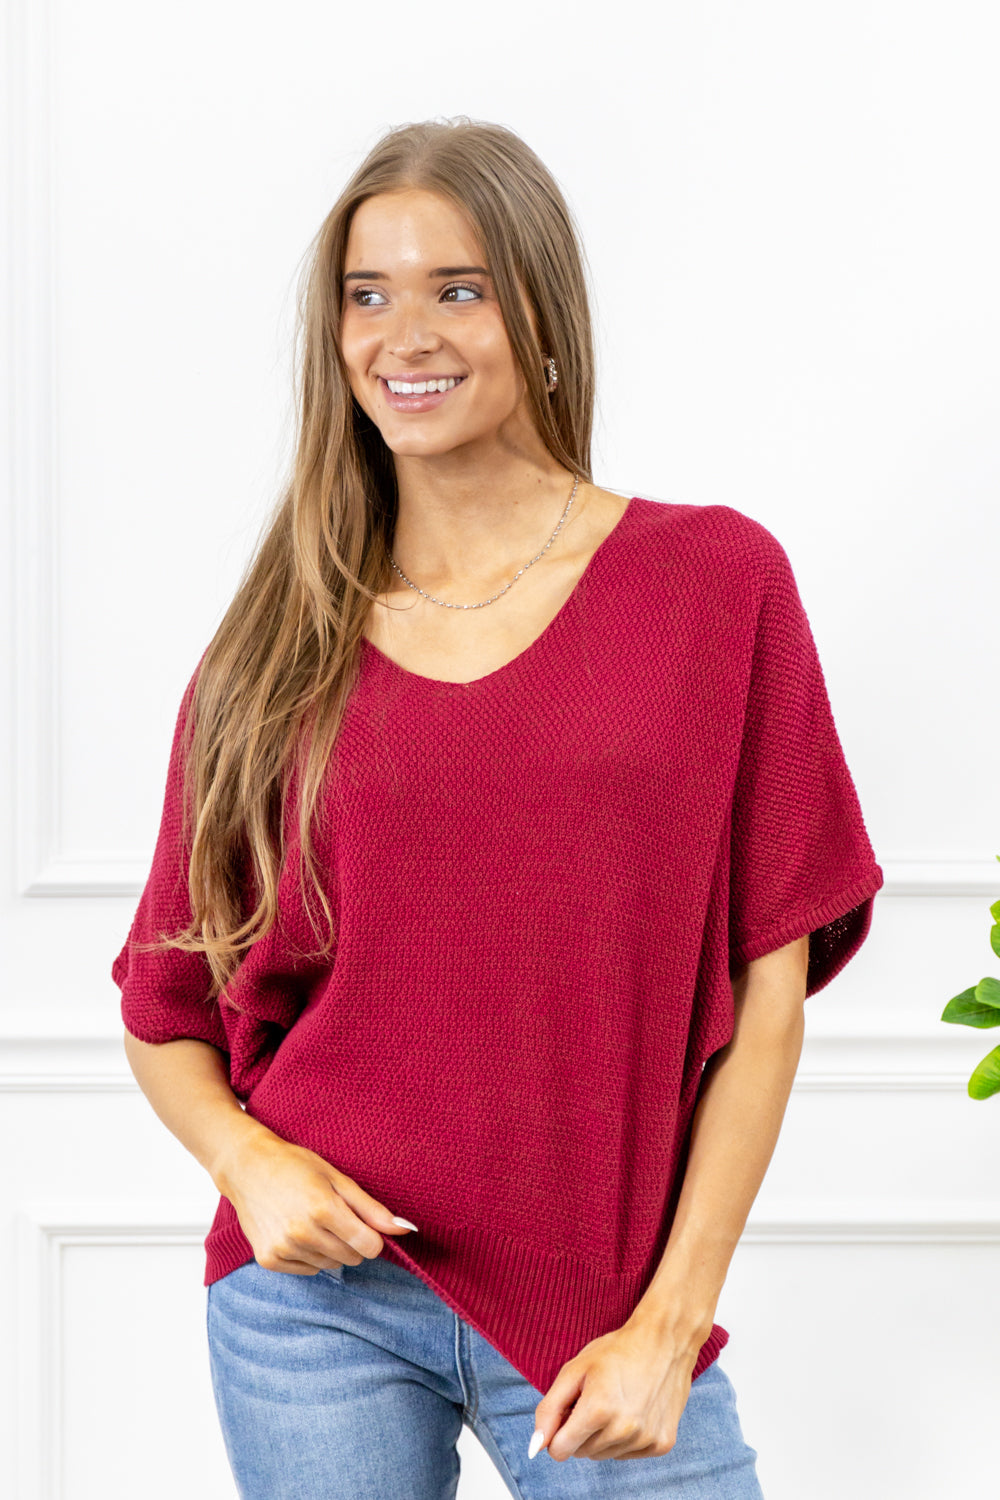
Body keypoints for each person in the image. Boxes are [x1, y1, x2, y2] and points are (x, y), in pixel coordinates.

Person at [113, 116, 883, 1498]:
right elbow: (166, 1006)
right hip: (315, 1306)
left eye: (456, 289)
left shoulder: (715, 584)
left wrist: (669, 1325)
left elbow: (768, 994)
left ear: (541, 315)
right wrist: (250, 1166)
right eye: (368, 295)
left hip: (603, 1312)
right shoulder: (274, 644)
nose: (404, 336)